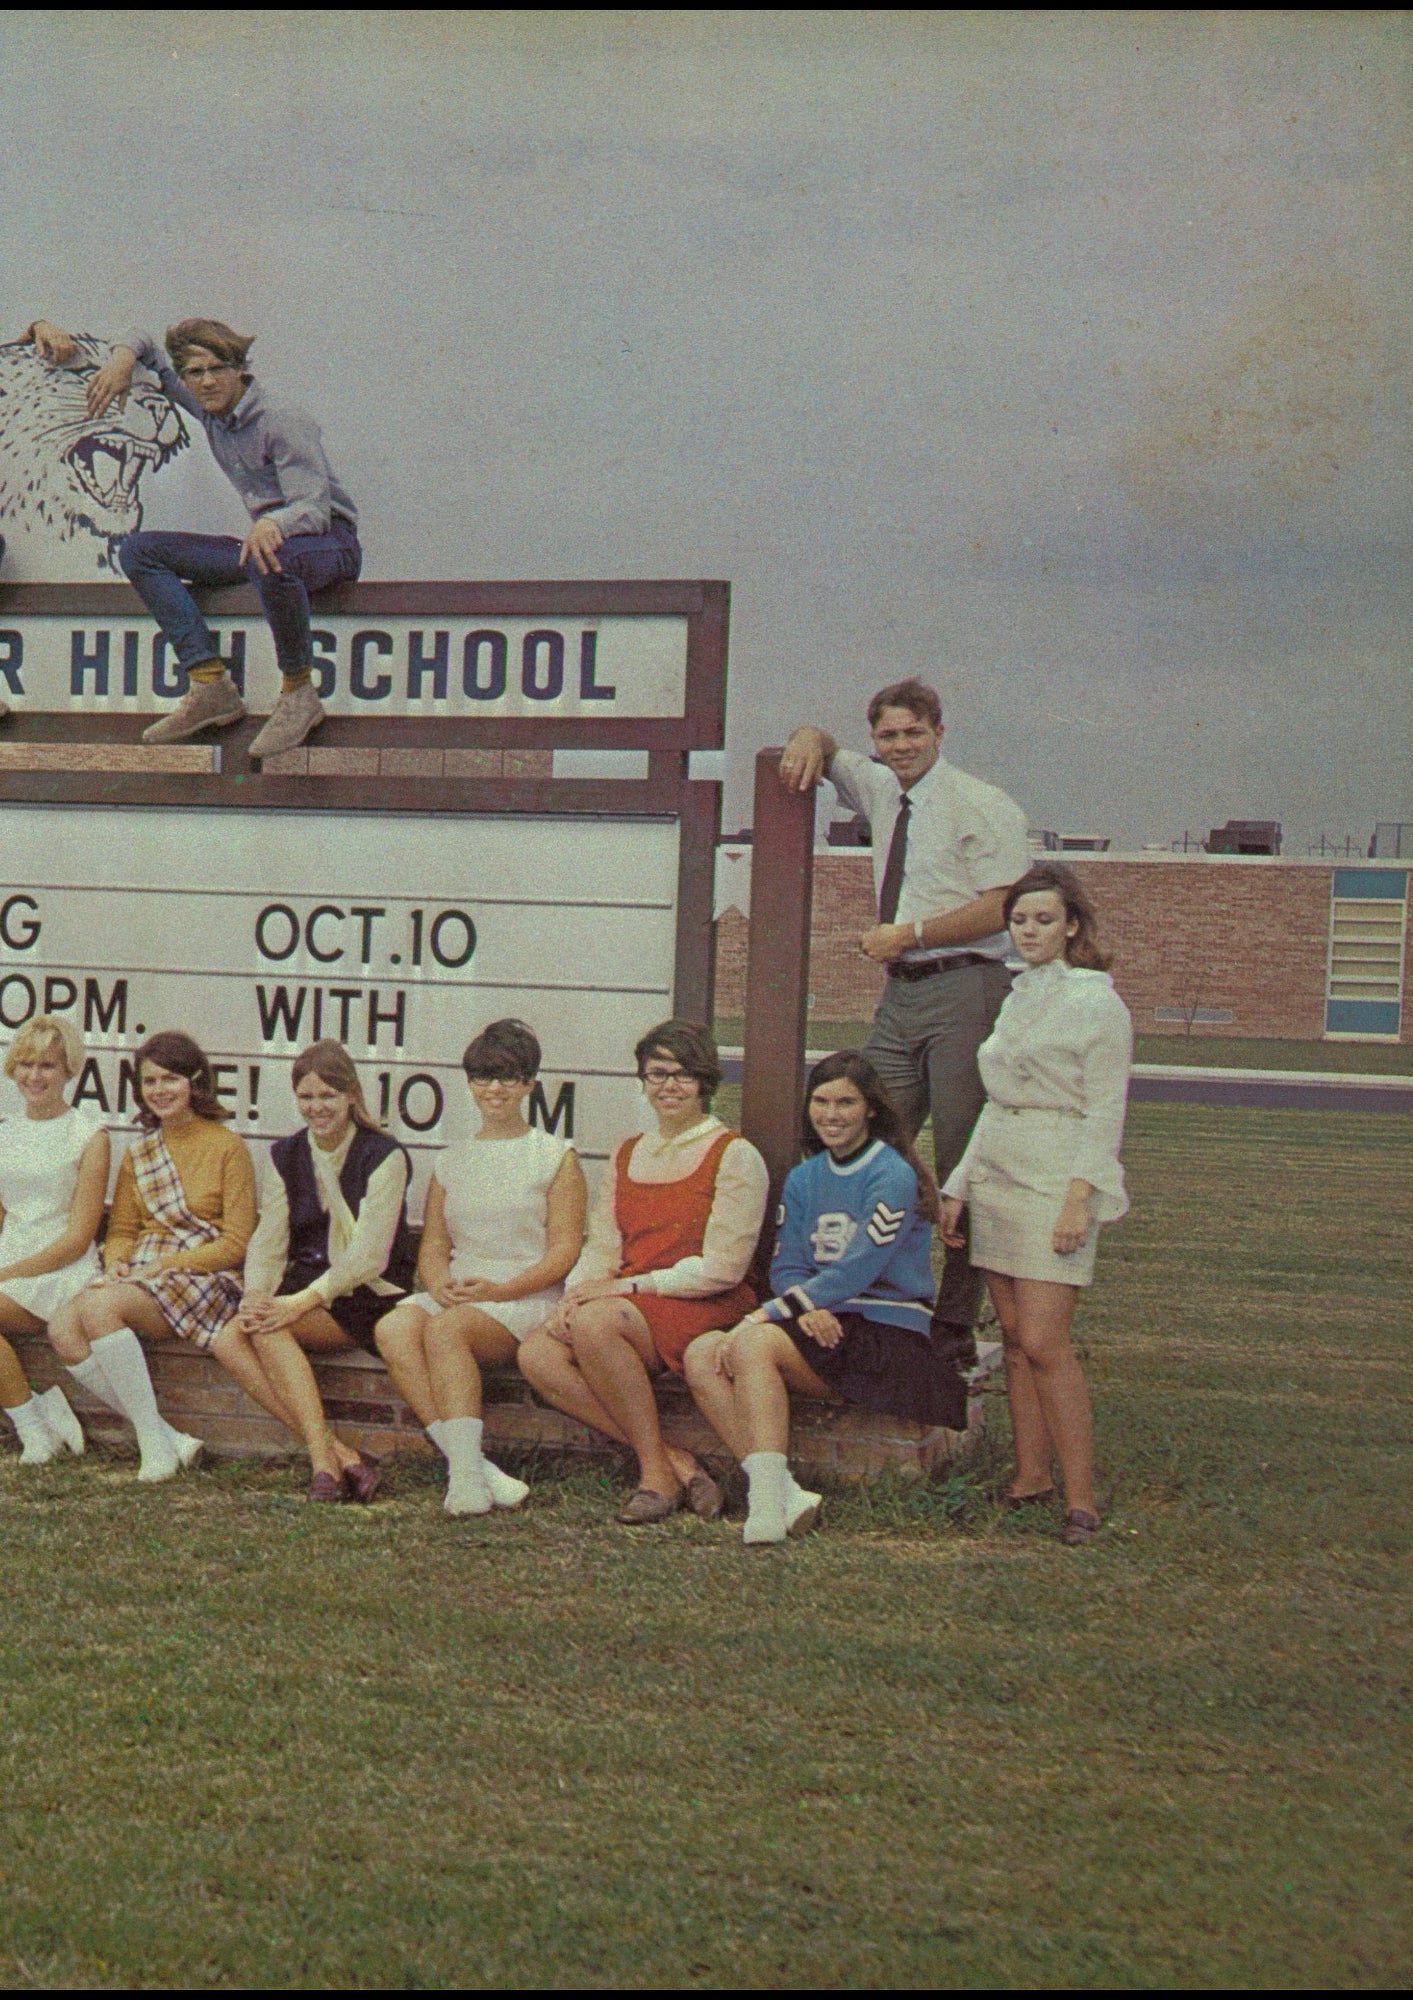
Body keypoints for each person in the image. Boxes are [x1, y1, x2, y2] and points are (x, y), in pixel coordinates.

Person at [779, 679, 1030, 1377]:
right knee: (860, 1127)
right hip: (902, 992)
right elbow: (825, 751)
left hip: (967, 985)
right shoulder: (881, 787)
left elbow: (1003, 906)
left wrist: (909, 933)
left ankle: (951, 1321)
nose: (900, 747)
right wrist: (808, 735)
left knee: (960, 1159)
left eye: (912, 734)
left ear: (939, 732)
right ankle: (874, 1294)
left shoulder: (982, 804)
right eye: (887, 737)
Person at [24, 316, 360, 760]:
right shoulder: (210, 410)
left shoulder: (281, 419)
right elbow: (146, 340)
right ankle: (209, 683)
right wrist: (120, 358)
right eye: (194, 373)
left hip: (327, 544)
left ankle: (299, 692)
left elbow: (314, 509)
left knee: (269, 554)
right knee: (139, 551)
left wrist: (275, 523)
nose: (205, 382)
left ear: (239, 368)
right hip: (262, 545)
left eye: (216, 369)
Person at [939, 862, 1132, 1546]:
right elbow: (996, 1101)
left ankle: (1080, 1499)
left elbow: (1104, 1111)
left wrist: (1080, 1198)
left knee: (1047, 1342)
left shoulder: (1096, 1002)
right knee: (1016, 1342)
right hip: (998, 1171)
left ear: (1072, 926)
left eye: (1043, 920)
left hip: (1056, 1176)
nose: (1029, 932)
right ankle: (1029, 1479)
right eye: (1019, 920)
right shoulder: (1014, 996)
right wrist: (958, 1184)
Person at [685, 1051, 948, 1547]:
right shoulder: (805, 1178)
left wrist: (773, 1312)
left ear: (872, 1108)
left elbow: (861, 1266)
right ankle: (783, 1492)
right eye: (821, 1101)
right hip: (825, 1321)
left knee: (751, 1343)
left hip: (885, 1328)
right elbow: (788, 1266)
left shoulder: (891, 1174)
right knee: (702, 1354)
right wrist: (810, 1306)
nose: (832, 1114)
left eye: (846, 1102)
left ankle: (762, 1507)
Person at [518, 1020, 768, 1525]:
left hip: (702, 1302)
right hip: (629, 1302)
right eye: (657, 1074)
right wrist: (573, 1295)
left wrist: (623, 1289)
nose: (669, 1086)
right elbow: (604, 1244)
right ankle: (671, 1458)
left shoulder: (734, 1154)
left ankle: (653, 1476)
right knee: (538, 1352)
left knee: (598, 1322)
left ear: (705, 1082)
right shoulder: (628, 1151)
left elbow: (724, 1267)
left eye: (682, 1075)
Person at [374, 1019, 588, 1515]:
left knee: (447, 1332)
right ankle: (471, 1466)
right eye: (483, 1077)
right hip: (467, 1291)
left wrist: (502, 1289)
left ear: (530, 1085)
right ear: (469, 1084)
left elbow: (563, 1252)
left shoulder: (556, 1157)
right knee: (396, 1327)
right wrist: (439, 1284)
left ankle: (466, 1481)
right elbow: (434, 1245)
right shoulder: (452, 1160)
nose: (495, 1089)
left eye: (509, 1078)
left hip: (524, 1293)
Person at [47, 1031, 255, 1482]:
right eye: (149, 1081)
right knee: (63, 1327)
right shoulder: (139, 1153)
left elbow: (235, 1244)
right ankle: (166, 1438)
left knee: (101, 1308)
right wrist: (119, 1261)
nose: (159, 1090)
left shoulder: (228, 1147)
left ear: (195, 1082)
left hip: (205, 1274)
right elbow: (121, 1230)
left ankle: (152, 1449)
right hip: (145, 1271)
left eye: (170, 1078)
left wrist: (158, 1267)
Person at [214, 1041, 413, 1503]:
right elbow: (270, 1238)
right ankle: (339, 1454)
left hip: (366, 1291)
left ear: (350, 1096)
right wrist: (257, 1296)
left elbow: (368, 1257)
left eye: (328, 1095)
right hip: (307, 1282)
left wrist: (296, 1304)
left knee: (266, 1332)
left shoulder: (384, 1154)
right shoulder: (286, 1154)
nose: (317, 1108)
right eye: (306, 1097)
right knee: (230, 1337)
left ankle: (321, 1463)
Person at [0, 1016, 107, 1463]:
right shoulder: (4, 1131)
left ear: (68, 1070)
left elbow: (79, 1238)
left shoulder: (89, 1134)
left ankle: (33, 1429)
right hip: (12, 1256)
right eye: (26, 1064)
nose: (34, 1076)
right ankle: (42, 1406)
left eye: (46, 1065)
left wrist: (5, 1272)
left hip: (61, 1269)